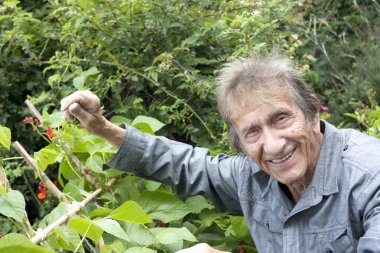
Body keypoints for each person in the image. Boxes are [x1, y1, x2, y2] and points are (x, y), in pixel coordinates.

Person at [60, 53, 380, 253]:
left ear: (312, 113)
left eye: (281, 118)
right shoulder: (252, 176)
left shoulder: (369, 177)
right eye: (252, 132)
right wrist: (102, 128)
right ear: (240, 143)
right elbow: (186, 165)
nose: (273, 145)